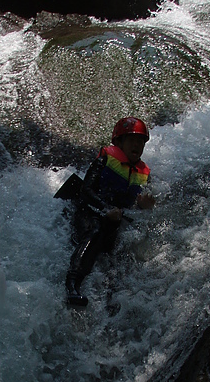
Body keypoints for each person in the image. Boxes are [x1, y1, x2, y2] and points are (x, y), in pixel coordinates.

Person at [66, 116, 154, 307]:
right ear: (119, 142)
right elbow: (86, 191)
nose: (137, 145)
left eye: (141, 141)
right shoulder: (105, 159)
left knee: (123, 246)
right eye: (132, 140)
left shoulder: (142, 173)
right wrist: (106, 209)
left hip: (112, 221)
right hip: (89, 211)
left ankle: (114, 300)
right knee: (95, 232)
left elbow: (132, 207)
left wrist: (143, 206)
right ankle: (72, 286)